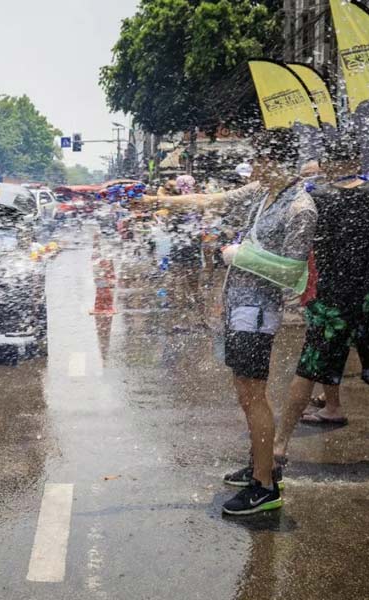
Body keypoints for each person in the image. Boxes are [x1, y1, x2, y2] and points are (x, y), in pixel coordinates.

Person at [139, 129, 317, 515]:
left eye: (259, 160)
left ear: (276, 162)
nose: (253, 167)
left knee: (254, 395)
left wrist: (242, 256)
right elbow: (212, 200)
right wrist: (155, 201)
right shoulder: (263, 192)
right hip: (239, 306)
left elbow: (293, 273)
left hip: (257, 313)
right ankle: (259, 464)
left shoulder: (300, 208)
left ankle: (265, 486)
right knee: (245, 392)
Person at [273, 139, 369, 460]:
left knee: (308, 369)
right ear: (357, 161)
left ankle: (279, 445)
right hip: (366, 298)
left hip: (330, 302)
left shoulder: (315, 197)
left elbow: (296, 246)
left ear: (326, 166)